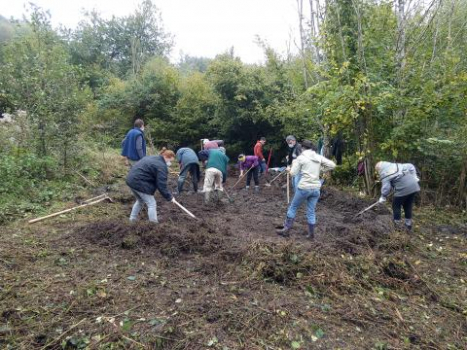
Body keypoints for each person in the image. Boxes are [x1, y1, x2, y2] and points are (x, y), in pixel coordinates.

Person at [277, 140, 336, 239]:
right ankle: (311, 234)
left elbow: (293, 173)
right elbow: (332, 165)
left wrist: (288, 170)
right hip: (316, 188)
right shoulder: (318, 157)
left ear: (303, 148)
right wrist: (321, 170)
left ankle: (286, 230)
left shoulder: (301, 158)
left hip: (304, 188)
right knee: (311, 211)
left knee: (293, 207)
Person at [126, 148, 175, 223]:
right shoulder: (161, 166)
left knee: (140, 201)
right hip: (139, 182)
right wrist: (169, 197)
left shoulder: (152, 157)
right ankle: (153, 224)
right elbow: (161, 185)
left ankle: (132, 220)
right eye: (170, 161)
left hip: (131, 180)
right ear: (166, 157)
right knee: (151, 203)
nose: (169, 163)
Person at [375, 161, 420, 231]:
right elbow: (411, 166)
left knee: (396, 205)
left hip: (403, 188)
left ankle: (397, 225)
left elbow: (386, 187)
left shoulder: (384, 173)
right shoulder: (396, 165)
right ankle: (408, 225)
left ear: (379, 168)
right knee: (408, 205)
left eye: (377, 170)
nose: (378, 172)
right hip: (414, 186)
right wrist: (414, 176)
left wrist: (383, 197)